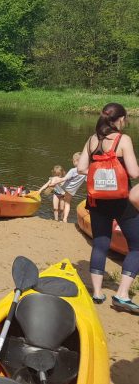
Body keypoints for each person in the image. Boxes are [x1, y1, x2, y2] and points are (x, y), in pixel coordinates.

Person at [76, 103, 139, 313]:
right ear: (119, 119)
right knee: (137, 246)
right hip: (121, 202)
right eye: (125, 119)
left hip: (96, 201)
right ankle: (122, 295)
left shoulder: (92, 140)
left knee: (100, 244)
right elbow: (133, 173)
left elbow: (81, 168)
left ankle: (97, 292)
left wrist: (100, 173)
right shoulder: (124, 140)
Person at [39, 153, 86, 223]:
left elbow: (65, 180)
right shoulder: (53, 178)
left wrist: (56, 182)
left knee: (62, 208)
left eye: (59, 175)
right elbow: (46, 184)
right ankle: (56, 220)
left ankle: (62, 218)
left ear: (62, 173)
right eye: (56, 175)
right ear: (54, 173)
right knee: (55, 208)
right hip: (56, 194)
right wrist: (40, 190)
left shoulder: (66, 177)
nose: (57, 176)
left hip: (63, 194)